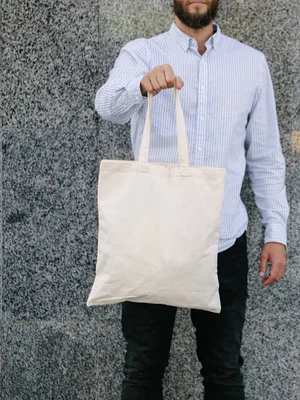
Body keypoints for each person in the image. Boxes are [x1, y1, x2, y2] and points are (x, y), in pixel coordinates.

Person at [94, 0, 289, 398]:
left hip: (224, 239)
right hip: (152, 243)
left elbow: (266, 156)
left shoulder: (250, 62)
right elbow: (107, 106)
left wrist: (277, 232)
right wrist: (140, 85)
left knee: (224, 372)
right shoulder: (142, 52)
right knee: (143, 369)